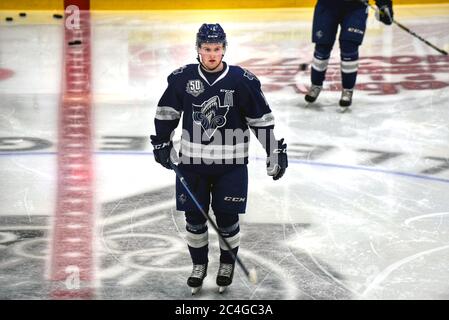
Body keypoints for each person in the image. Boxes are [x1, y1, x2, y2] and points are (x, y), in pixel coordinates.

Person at [150, 23, 288, 294]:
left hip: (232, 165)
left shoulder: (242, 80)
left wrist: (274, 150)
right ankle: (198, 265)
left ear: (224, 49)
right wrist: (163, 141)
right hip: (192, 164)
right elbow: (166, 112)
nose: (212, 54)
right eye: (206, 49)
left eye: (216, 49)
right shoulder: (182, 79)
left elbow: (260, 120)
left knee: (227, 219)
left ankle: (227, 264)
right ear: (198, 50)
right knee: (194, 219)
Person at [304, 0, 394, 108]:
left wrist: (384, 4)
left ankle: (348, 89)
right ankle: (316, 85)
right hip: (327, 5)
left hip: (356, 8)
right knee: (322, 47)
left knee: (349, 47)